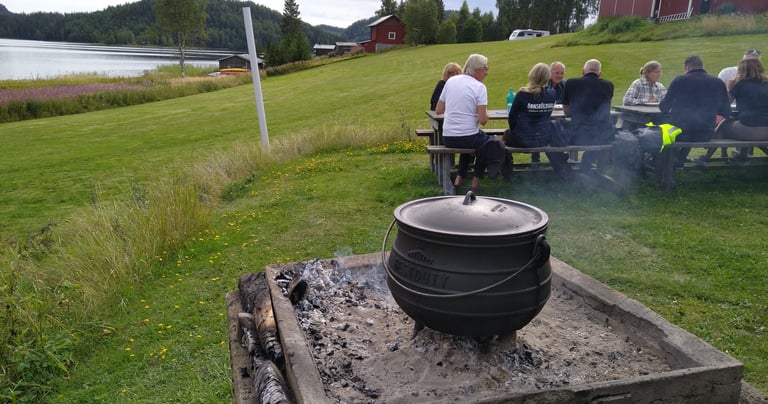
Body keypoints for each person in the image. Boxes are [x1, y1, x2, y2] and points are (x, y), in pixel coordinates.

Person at [436, 54, 502, 192]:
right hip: (468, 137)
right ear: (476, 69)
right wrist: (486, 113)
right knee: (488, 144)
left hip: (448, 137)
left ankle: (459, 178)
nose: (487, 72)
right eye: (485, 68)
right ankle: (475, 181)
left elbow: (438, 110)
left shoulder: (451, 81)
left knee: (472, 137)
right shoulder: (479, 87)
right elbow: (483, 121)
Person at [659, 55, 731, 163]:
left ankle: (667, 163)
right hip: (705, 133)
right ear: (702, 66)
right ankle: (680, 160)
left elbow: (664, 107)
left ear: (687, 68)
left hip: (680, 134)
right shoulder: (717, 82)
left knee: (661, 129)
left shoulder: (679, 80)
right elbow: (726, 111)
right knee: (690, 126)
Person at [506, 63, 571, 180]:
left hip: (523, 139)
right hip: (543, 139)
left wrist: (516, 132)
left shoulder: (522, 94)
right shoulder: (552, 94)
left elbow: (512, 118)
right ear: (547, 77)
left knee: (504, 136)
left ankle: (507, 173)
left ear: (532, 75)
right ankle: (563, 171)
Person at [562, 59, 615, 170]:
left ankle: (571, 168)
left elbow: (566, 110)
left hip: (579, 135)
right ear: (599, 73)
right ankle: (587, 165)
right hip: (603, 135)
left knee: (561, 134)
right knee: (598, 138)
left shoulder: (571, 83)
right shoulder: (609, 85)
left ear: (583, 71)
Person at [717, 58, 768, 142]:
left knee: (723, 125)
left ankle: (709, 155)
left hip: (749, 129)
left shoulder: (740, 85)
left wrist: (730, 89)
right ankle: (742, 154)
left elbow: (724, 104)